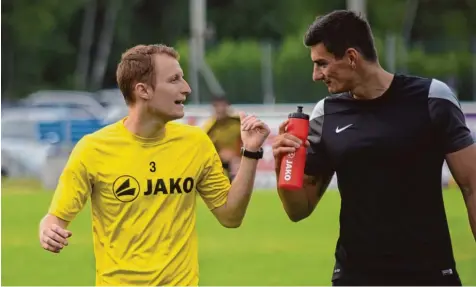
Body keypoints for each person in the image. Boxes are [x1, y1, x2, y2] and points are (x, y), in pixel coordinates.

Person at [272, 10, 476, 286]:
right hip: (355, 276)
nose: (315, 75)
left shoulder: (431, 98)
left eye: (322, 64)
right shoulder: (326, 114)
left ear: (352, 58)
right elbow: (299, 210)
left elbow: (471, 186)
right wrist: (282, 166)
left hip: (428, 273)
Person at [38, 44, 270, 286]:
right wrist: (48, 231)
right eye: (174, 79)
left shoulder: (196, 143)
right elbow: (55, 218)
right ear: (143, 90)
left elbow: (230, 216)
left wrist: (251, 152)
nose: (187, 88)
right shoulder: (93, 149)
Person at [202, 95, 242, 181]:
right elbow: (205, 149)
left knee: (236, 165)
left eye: (223, 106)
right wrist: (219, 154)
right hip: (217, 161)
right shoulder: (209, 128)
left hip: (238, 159)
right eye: (217, 106)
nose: (220, 109)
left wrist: (236, 154)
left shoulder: (238, 123)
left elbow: (247, 142)